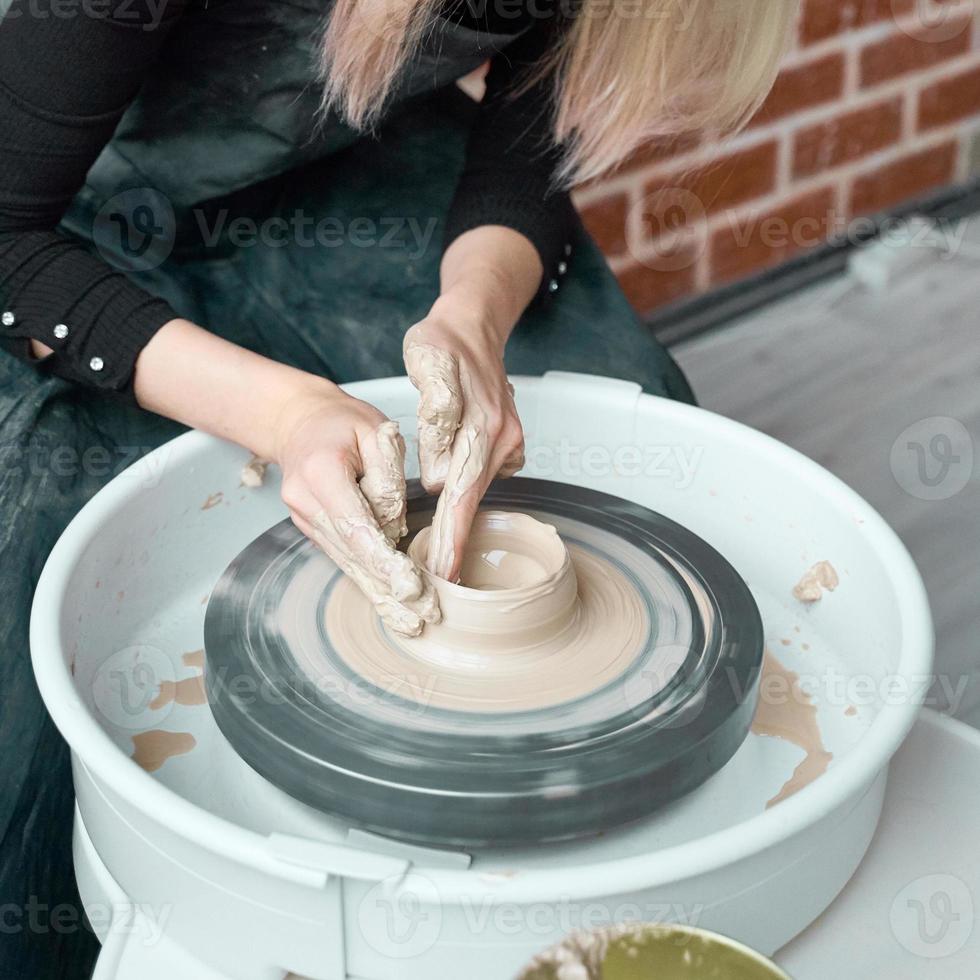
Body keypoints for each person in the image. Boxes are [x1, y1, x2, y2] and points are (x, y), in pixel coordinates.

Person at [0, 0, 795, 973]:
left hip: (345, 150)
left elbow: (526, 148)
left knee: (606, 394)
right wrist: (283, 413)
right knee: (45, 493)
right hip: (60, 198)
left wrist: (472, 316)